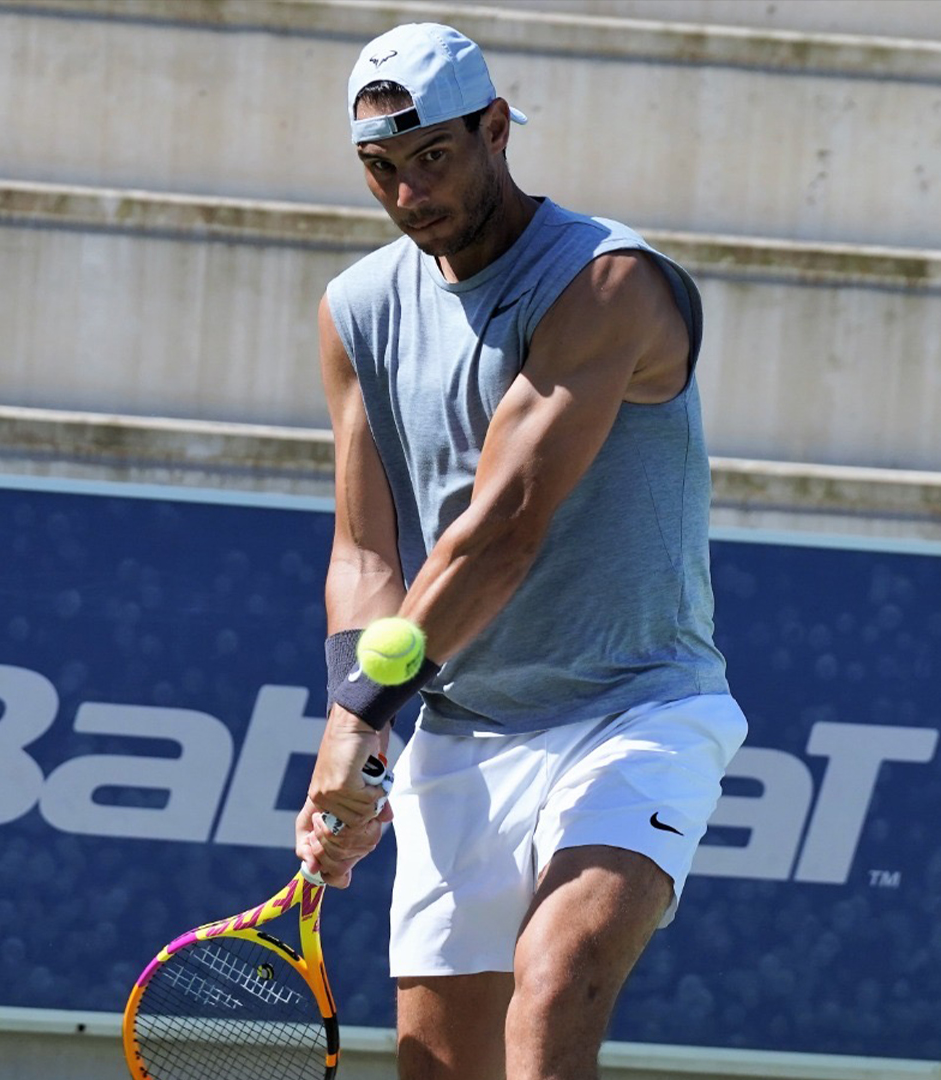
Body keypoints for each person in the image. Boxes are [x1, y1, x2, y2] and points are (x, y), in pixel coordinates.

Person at [292, 22, 749, 1080]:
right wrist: (351, 726)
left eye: (434, 158)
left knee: (553, 986)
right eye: (381, 171)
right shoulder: (357, 311)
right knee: (444, 1066)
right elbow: (366, 551)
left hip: (637, 708)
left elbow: (501, 533)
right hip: (465, 735)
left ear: (497, 130)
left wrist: (363, 711)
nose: (410, 194)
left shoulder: (608, 283)